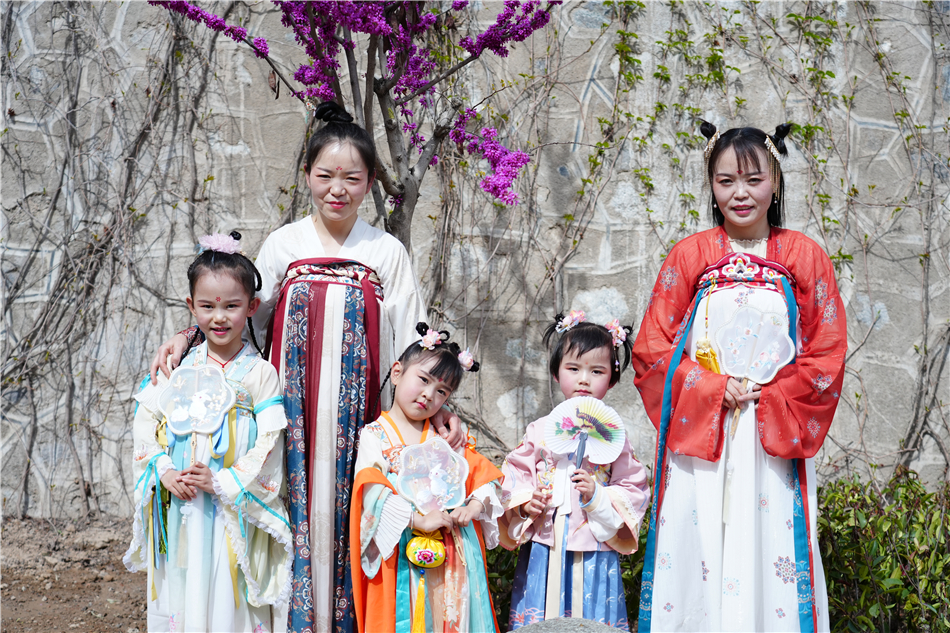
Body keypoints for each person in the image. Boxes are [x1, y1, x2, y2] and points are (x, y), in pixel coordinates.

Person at [147, 103, 461, 632]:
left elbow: (414, 340)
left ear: (369, 184)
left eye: (352, 178)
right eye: (325, 176)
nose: (337, 189)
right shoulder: (283, 245)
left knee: (352, 517)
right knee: (291, 514)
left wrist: (439, 410)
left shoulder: (386, 251)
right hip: (287, 417)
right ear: (308, 175)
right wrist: (184, 335)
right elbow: (239, 312)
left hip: (359, 421)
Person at [631, 122, 847, 632]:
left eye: (753, 179)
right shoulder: (690, 255)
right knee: (697, 544)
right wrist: (711, 388)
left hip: (771, 433)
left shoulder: (803, 255)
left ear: (775, 180)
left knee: (768, 543)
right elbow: (652, 349)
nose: (740, 193)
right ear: (710, 185)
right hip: (703, 432)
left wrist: (773, 397)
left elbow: (828, 352)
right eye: (726, 181)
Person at [124, 232, 292, 632]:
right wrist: (163, 470)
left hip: (229, 507)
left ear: (252, 307)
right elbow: (145, 419)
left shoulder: (259, 373)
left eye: (232, 306)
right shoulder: (177, 367)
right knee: (182, 586)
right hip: (181, 502)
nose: (220, 317)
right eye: (208, 306)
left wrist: (223, 480)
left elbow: (272, 441)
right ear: (191, 307)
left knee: (225, 586)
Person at [499, 312, 651, 630]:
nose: (584, 379)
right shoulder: (539, 430)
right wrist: (527, 502)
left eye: (597, 370)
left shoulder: (615, 436)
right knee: (543, 613)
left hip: (594, 545)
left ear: (611, 378)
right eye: (573, 368)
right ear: (556, 373)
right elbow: (515, 474)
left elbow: (633, 485)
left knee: (591, 616)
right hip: (547, 541)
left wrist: (598, 496)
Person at [350, 323, 503, 633]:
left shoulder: (444, 435)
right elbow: (371, 490)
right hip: (403, 549)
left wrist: (473, 507)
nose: (429, 395)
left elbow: (484, 475)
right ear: (396, 372)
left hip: (454, 552)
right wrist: (414, 520)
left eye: (442, 391)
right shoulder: (374, 436)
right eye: (423, 380)